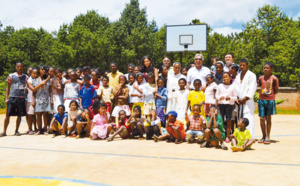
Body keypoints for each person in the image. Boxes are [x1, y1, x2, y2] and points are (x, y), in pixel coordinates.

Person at [0, 62, 28, 137]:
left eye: (21, 67)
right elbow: (8, 87)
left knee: (19, 115)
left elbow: (28, 86)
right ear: (16, 67)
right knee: (8, 115)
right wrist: (6, 98)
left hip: (21, 98)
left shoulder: (25, 77)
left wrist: (26, 89)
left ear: (23, 68)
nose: (19, 68)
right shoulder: (11, 76)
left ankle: (16, 130)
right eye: (18, 67)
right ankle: (4, 131)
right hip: (12, 98)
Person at [233, 59, 257, 138]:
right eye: (240, 65)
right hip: (239, 101)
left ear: (247, 65)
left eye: (243, 65)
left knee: (248, 118)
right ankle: (240, 137)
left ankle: (250, 137)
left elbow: (252, 87)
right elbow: (235, 88)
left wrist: (246, 98)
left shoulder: (251, 75)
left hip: (247, 101)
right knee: (240, 120)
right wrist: (236, 98)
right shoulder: (237, 76)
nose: (242, 67)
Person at [257, 62, 279, 144]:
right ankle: (263, 135)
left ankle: (267, 136)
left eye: (267, 68)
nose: (265, 69)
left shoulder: (274, 78)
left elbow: (276, 89)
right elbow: (260, 86)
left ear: (271, 69)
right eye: (264, 68)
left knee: (268, 118)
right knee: (262, 118)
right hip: (261, 99)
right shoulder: (261, 78)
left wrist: (271, 96)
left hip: (270, 100)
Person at [216, 72, 238, 143]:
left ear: (230, 78)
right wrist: (220, 97)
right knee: (220, 121)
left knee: (229, 121)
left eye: (226, 77)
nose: (225, 78)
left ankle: (228, 136)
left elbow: (235, 97)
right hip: (221, 105)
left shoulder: (233, 86)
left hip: (229, 105)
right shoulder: (219, 86)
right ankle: (221, 135)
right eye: (223, 77)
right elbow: (216, 96)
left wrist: (230, 98)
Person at [33, 65, 53, 135]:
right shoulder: (35, 79)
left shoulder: (49, 80)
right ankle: (39, 130)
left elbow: (50, 91)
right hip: (38, 98)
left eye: (45, 69)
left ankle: (45, 130)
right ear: (39, 70)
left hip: (46, 98)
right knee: (38, 115)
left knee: (45, 115)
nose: (43, 71)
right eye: (42, 69)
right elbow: (34, 91)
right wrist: (34, 100)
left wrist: (51, 100)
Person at [25, 68, 39, 135]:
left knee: (35, 115)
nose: (35, 75)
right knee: (30, 115)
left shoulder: (37, 80)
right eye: (33, 73)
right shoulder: (29, 80)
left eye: (36, 73)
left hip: (38, 100)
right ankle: (30, 129)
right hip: (30, 100)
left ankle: (36, 128)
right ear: (30, 74)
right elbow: (33, 90)